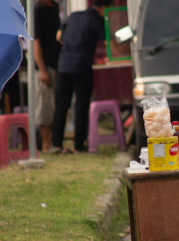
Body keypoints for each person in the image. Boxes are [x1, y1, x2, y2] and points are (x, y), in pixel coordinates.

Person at [49, 0, 113, 154]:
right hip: (81, 67)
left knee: (61, 106)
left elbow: (59, 36)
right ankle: (78, 146)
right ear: (103, 7)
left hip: (64, 66)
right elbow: (109, 44)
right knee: (81, 106)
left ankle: (56, 144)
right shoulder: (96, 20)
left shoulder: (72, 16)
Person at [33, 0, 61, 152]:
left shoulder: (55, 7)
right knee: (44, 104)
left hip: (57, 63)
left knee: (54, 105)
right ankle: (45, 143)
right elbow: (35, 42)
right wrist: (42, 69)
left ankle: (53, 141)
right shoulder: (36, 9)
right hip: (44, 65)